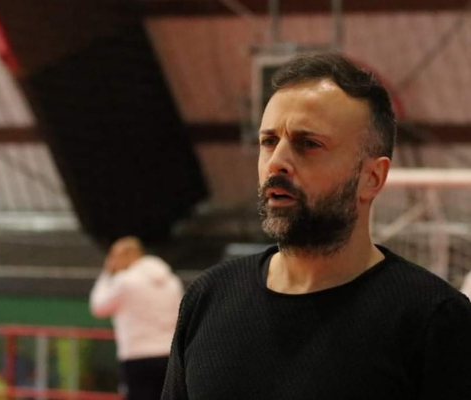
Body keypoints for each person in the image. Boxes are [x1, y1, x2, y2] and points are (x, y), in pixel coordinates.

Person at [161, 52, 471, 400]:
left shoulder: (434, 319)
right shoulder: (209, 297)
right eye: (269, 142)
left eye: (309, 144)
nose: (277, 162)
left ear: (372, 177)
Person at [90, 236, 183, 400]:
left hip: (137, 356)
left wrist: (107, 274)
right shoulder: (172, 281)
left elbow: (98, 307)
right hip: (169, 355)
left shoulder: (125, 281)